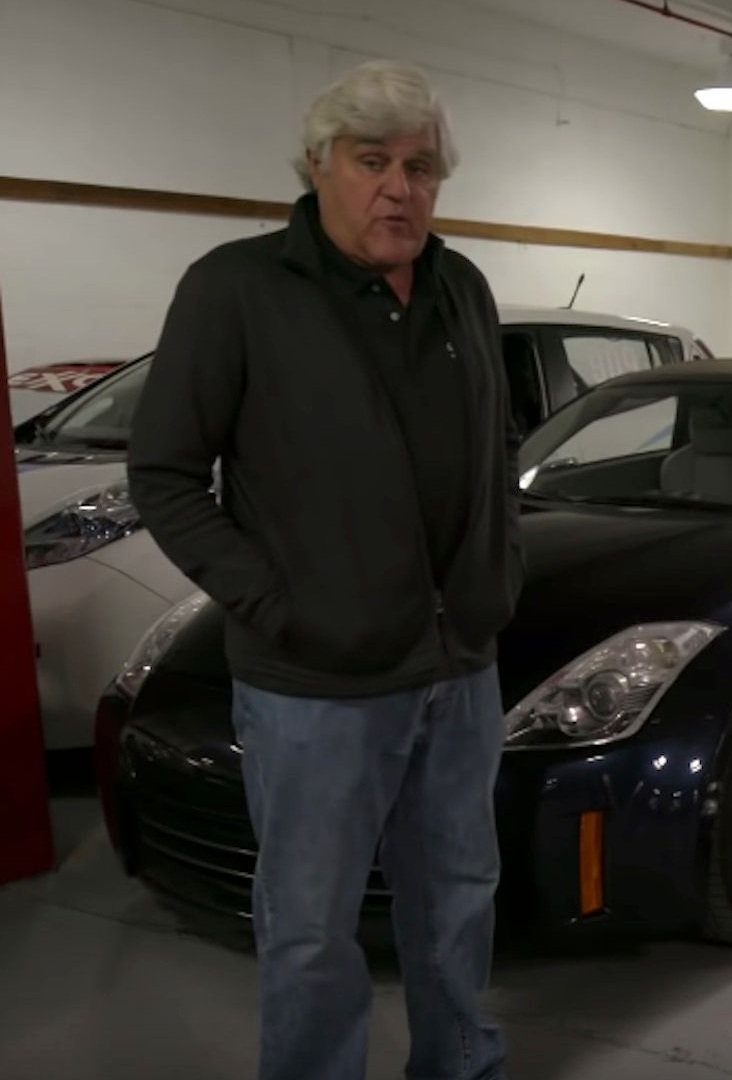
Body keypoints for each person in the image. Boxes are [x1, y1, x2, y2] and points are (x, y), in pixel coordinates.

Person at [128, 59, 523, 1080]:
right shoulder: (238, 289)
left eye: (423, 167)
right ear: (317, 168)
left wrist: (494, 576)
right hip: (317, 685)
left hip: (459, 664)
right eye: (373, 160)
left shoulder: (464, 288)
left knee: (461, 896)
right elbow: (166, 474)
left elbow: (494, 455)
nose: (402, 187)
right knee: (310, 928)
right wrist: (278, 604)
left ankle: (460, 1064)